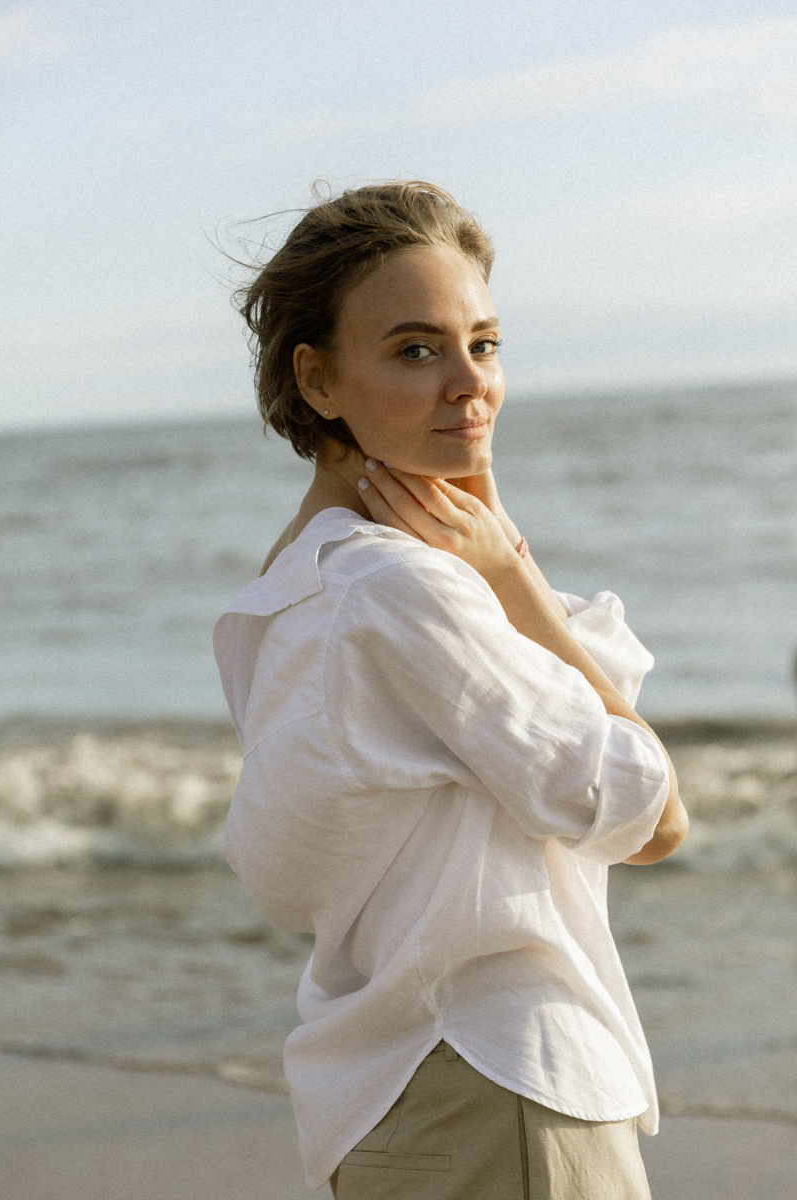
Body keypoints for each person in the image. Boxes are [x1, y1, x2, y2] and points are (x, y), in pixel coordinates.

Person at [213, 180, 688, 1199]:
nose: (469, 384)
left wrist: (486, 534)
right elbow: (654, 818)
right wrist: (511, 576)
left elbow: (292, 882)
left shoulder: (292, 581)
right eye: (415, 350)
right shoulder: (403, 588)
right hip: (500, 1086)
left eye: (484, 344)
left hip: (388, 1100)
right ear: (318, 378)